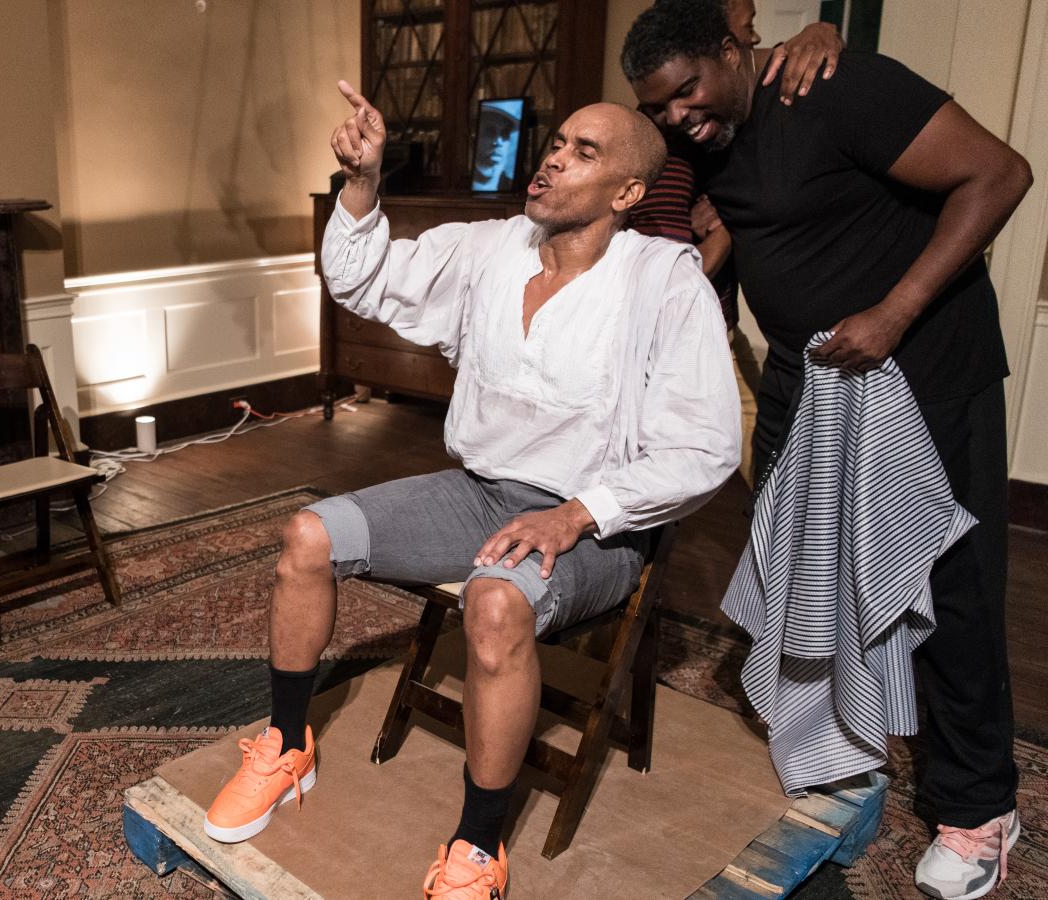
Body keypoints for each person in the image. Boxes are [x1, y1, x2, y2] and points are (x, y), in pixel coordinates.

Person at [201, 81, 739, 899]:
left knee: (493, 603)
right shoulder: (490, 249)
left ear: (628, 193)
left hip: (598, 524)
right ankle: (286, 745)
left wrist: (576, 514)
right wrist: (361, 180)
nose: (554, 156)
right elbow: (362, 279)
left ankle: (477, 849)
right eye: (556, 142)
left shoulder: (665, 284)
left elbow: (705, 447)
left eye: (584, 152)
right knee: (307, 536)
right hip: (480, 493)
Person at [623, 3, 1032, 897]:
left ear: (736, 49)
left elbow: (1000, 175)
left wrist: (893, 312)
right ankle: (843, 750)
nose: (678, 117)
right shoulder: (706, 137)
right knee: (805, 578)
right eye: (660, 109)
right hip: (806, 384)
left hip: (924, 371)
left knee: (950, 588)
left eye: (688, 91)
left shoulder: (840, 87)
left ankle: (979, 809)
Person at [626, 0, 843, 483]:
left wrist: (822, 31)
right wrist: (725, 230)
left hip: (719, 321)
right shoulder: (664, 144)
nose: (754, 37)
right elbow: (668, 273)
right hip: (680, 334)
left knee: (766, 457)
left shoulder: (717, 126)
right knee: (666, 466)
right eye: (745, 25)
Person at [470, 102, 521, 191]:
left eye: (505, 133)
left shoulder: (511, 187)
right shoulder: (464, 183)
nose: (498, 142)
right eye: (489, 131)